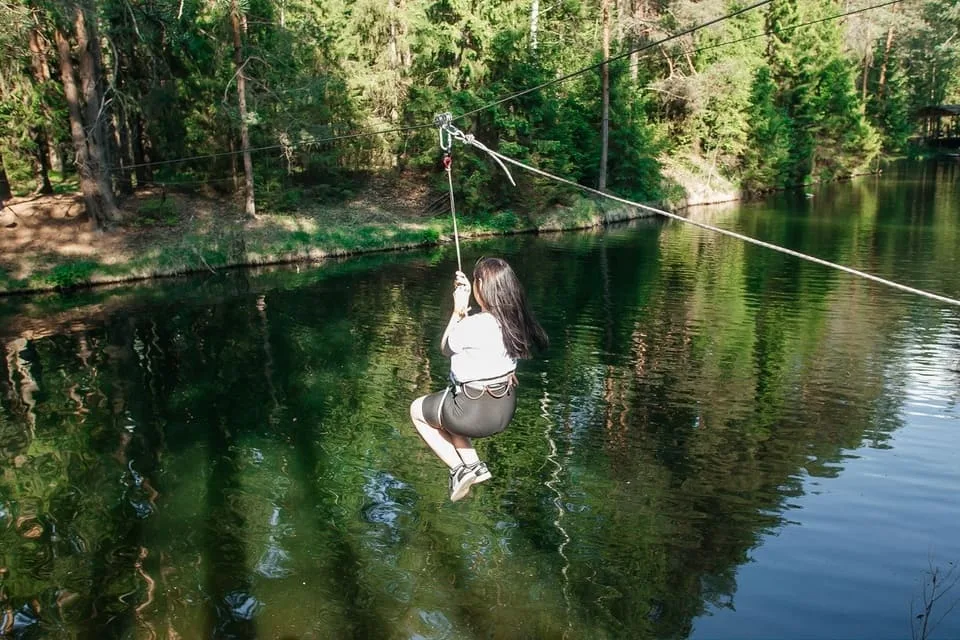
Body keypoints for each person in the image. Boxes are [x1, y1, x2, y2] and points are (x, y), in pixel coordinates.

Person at [410, 257, 548, 502]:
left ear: (481, 286)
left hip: (471, 413)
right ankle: (476, 466)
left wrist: (458, 310)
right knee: (449, 407)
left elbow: (445, 348)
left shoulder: (474, 325)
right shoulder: (517, 320)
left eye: (475, 280)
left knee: (418, 411)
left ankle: (458, 469)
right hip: (503, 410)